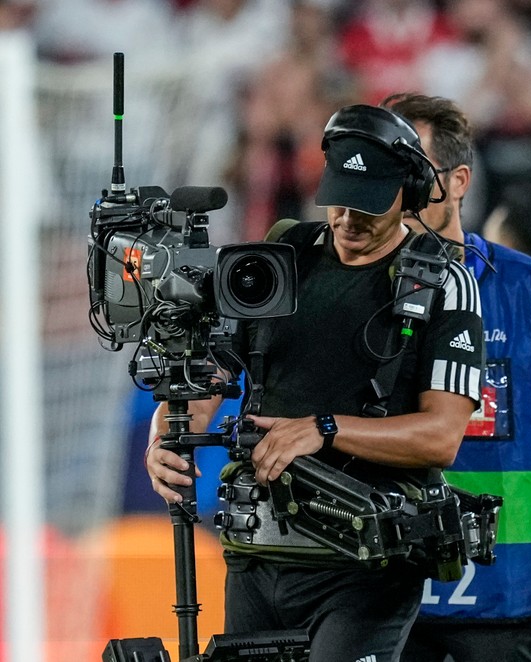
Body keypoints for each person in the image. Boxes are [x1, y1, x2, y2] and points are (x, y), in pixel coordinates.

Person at [144, 103, 485, 662]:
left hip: (364, 569)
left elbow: (441, 436)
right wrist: (166, 436)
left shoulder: (444, 282)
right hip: (256, 553)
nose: (349, 217)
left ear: (411, 192)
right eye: (340, 196)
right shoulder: (281, 257)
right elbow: (209, 374)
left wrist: (323, 429)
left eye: (368, 202)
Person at [382, 92, 531, 661]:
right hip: (386, 595)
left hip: (510, 592)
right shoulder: (357, 288)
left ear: (459, 181)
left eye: (417, 172)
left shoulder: (528, 287)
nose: (399, 192)